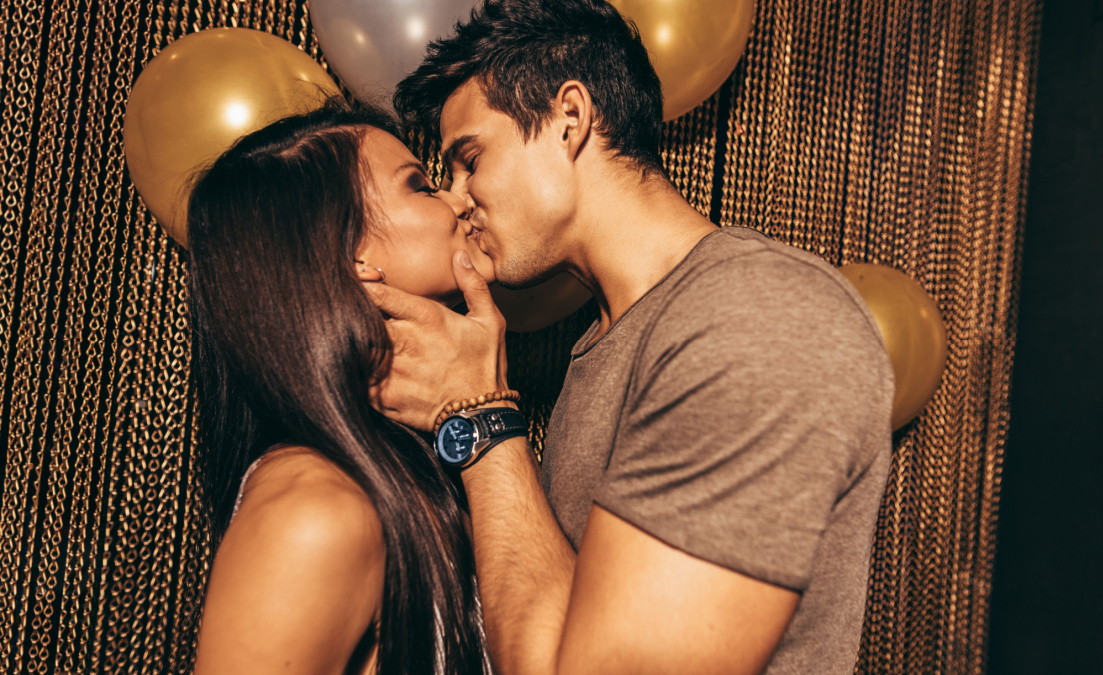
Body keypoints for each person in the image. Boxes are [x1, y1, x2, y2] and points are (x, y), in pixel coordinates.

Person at [366, 0, 896, 673]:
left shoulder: (754, 315)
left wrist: (481, 419)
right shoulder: (601, 343)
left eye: (469, 159)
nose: (456, 197)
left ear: (570, 119)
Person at [186, 101, 494, 675]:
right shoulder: (315, 514)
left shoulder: (400, 466)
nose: (458, 199)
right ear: (350, 258)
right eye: (422, 186)